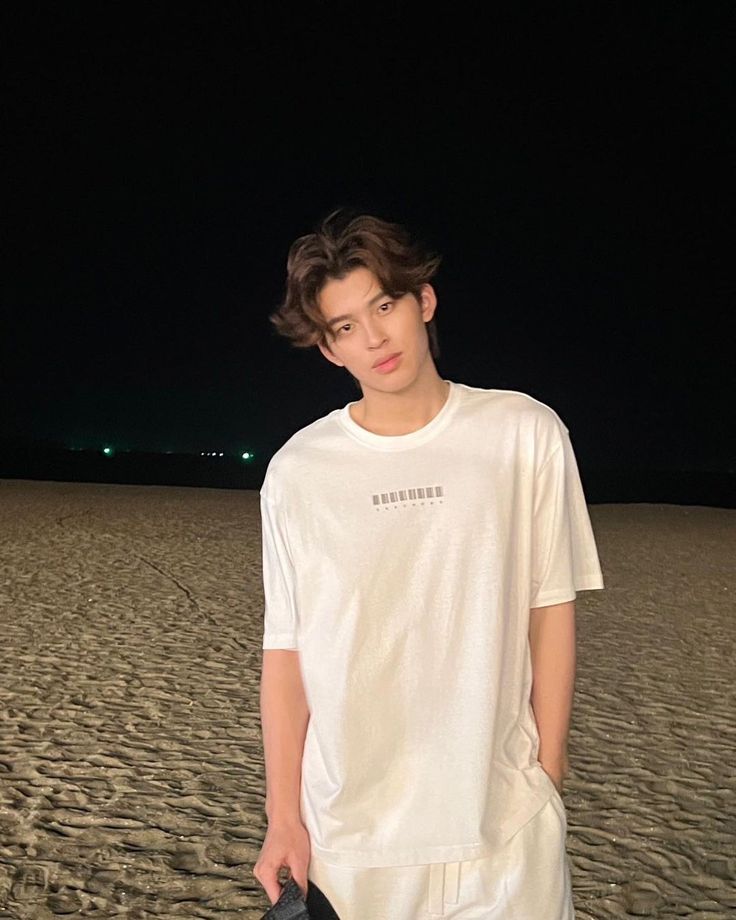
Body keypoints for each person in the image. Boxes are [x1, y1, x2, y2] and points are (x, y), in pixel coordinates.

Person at [253, 208, 605, 919]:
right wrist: (283, 816)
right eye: (345, 326)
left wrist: (549, 770)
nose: (374, 337)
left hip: (502, 833)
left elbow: (551, 608)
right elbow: (287, 654)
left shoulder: (524, 433)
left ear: (424, 301)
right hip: (352, 841)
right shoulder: (298, 471)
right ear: (328, 350)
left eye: (384, 305)